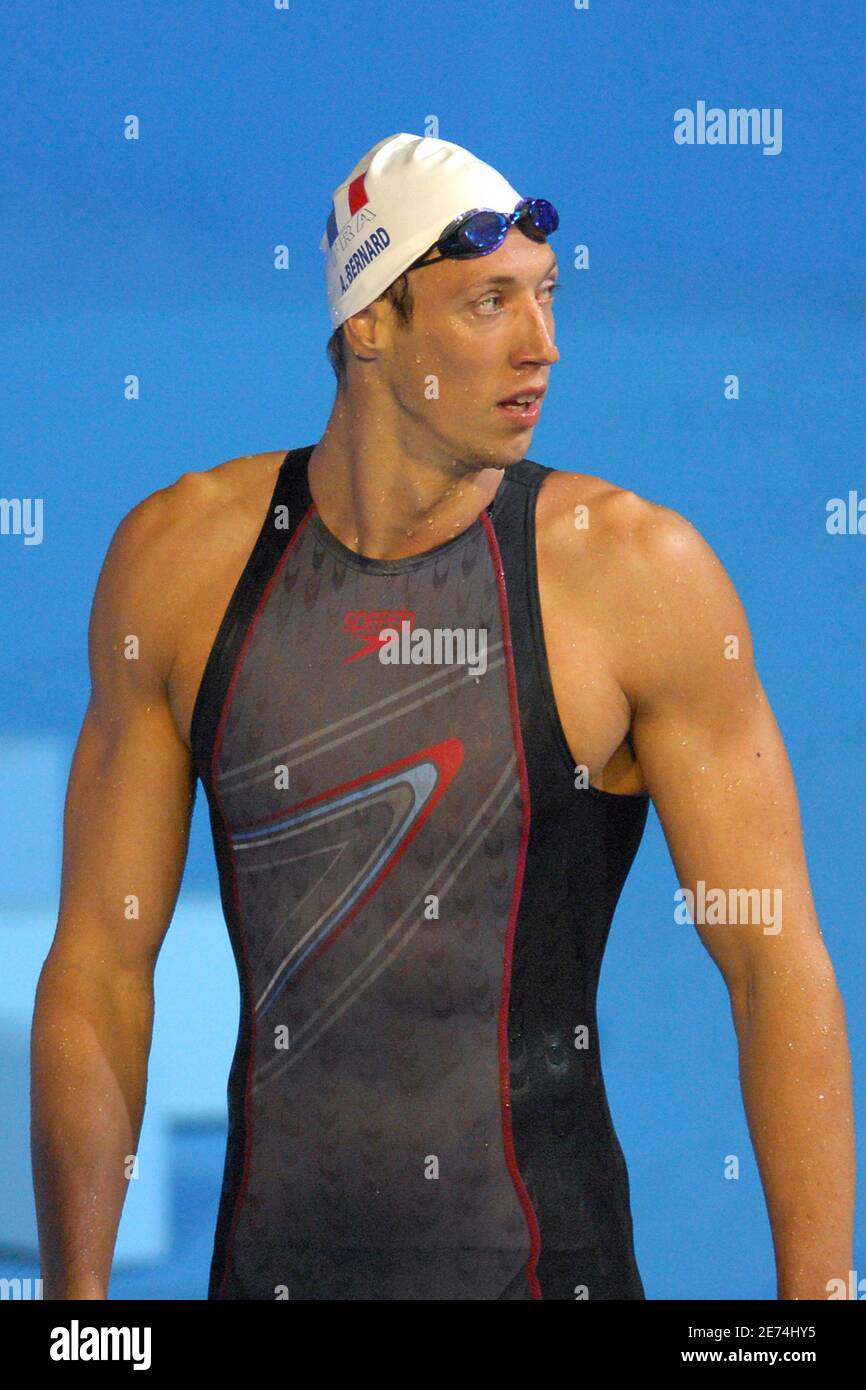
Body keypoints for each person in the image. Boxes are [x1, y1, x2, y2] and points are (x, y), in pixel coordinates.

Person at [31, 132, 854, 1301]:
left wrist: (813, 1310)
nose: (542, 348)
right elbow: (100, 967)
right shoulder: (179, 568)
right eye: (487, 305)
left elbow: (775, 965)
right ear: (371, 323)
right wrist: (76, 1315)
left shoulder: (632, 577)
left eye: (546, 299)